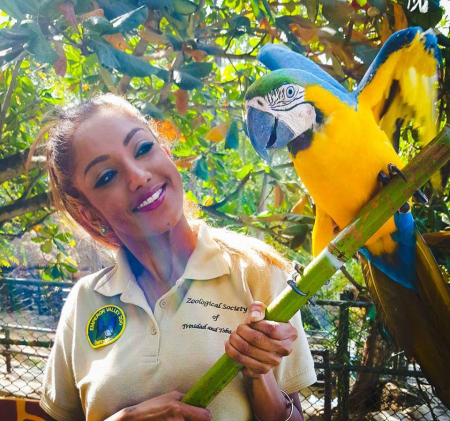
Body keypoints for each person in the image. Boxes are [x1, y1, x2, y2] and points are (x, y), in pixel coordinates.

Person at [32, 94, 317, 421]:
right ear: (89, 214)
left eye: (142, 149)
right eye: (107, 176)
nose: (138, 176)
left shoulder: (258, 272)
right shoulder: (85, 302)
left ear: (165, 153)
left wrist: (258, 373)